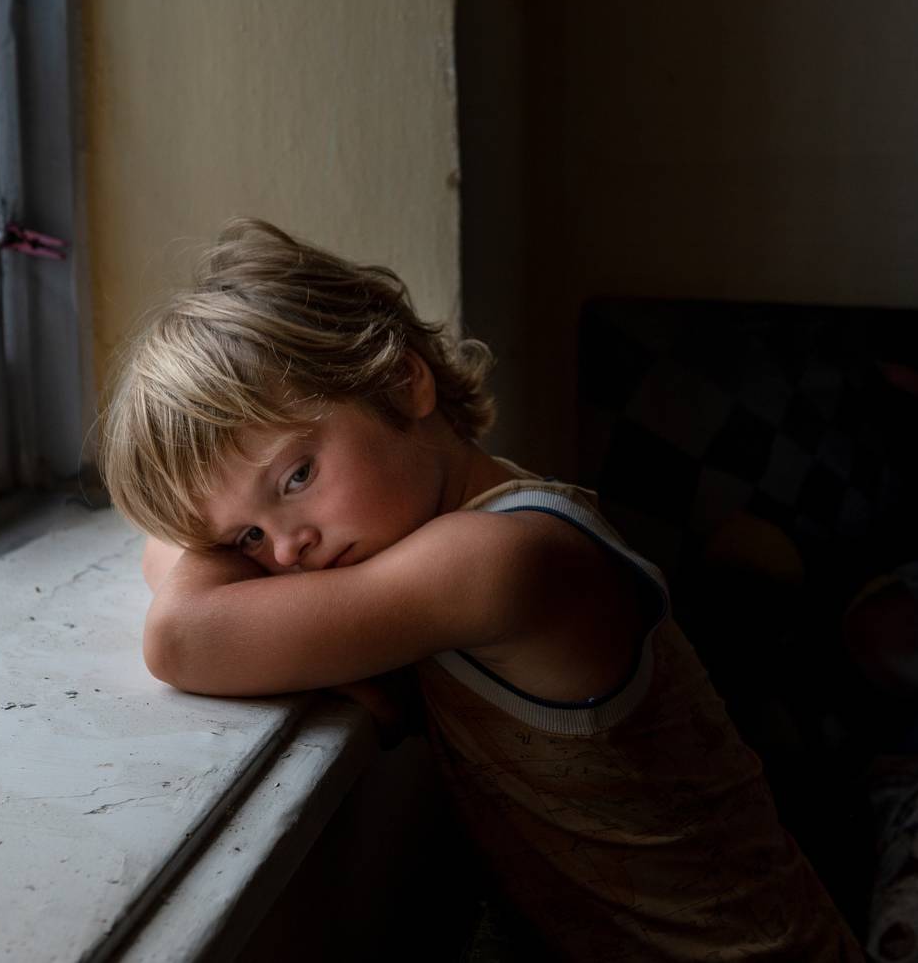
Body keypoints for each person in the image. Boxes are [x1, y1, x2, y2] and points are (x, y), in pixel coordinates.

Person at [99, 218, 861, 961]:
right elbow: (170, 549)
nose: (287, 550)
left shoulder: (500, 561)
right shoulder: (423, 543)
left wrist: (287, 633)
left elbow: (181, 635)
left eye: (298, 476)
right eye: (247, 540)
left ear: (402, 382)